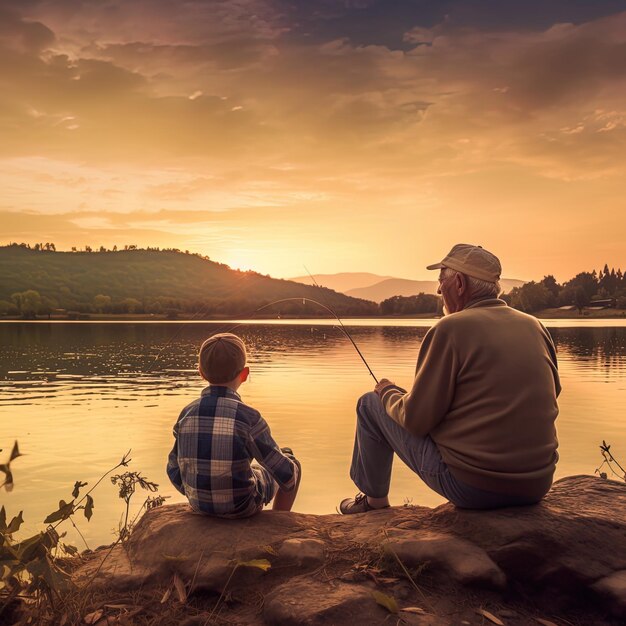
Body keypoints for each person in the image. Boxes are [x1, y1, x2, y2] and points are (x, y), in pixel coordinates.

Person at [340, 243, 560, 514]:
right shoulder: (535, 326)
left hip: (474, 489)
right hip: (537, 485)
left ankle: (373, 505)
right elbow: (549, 395)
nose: (438, 290)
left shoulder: (450, 329)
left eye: (441, 279)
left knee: (370, 403)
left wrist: (388, 392)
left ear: (458, 283)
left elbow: (416, 420)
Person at [167, 332, 300, 518]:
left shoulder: (186, 413)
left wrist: (195, 492)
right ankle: (278, 519)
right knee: (291, 461)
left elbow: (173, 468)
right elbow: (286, 475)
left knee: (251, 469)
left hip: (199, 505)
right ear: (244, 374)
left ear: (201, 372)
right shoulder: (249, 417)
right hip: (242, 507)